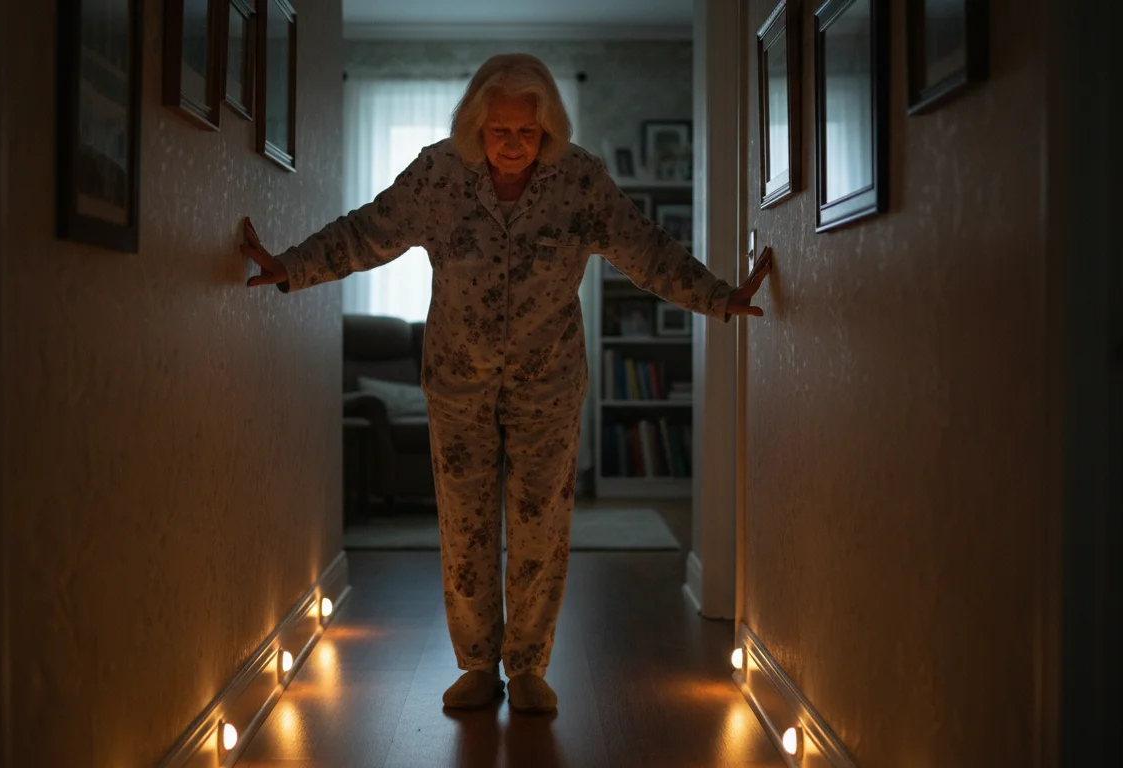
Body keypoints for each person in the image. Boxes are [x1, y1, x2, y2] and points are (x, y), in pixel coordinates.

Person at [241, 53, 772, 714]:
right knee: (464, 530)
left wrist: (719, 297)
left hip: (549, 383)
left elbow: (645, 249)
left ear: (548, 128)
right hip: (457, 382)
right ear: (476, 126)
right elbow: (365, 233)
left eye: (528, 131)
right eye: (500, 131)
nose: (515, 145)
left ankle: (526, 669)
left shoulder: (579, 180)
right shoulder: (438, 175)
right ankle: (475, 666)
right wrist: (289, 266)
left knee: (539, 530)